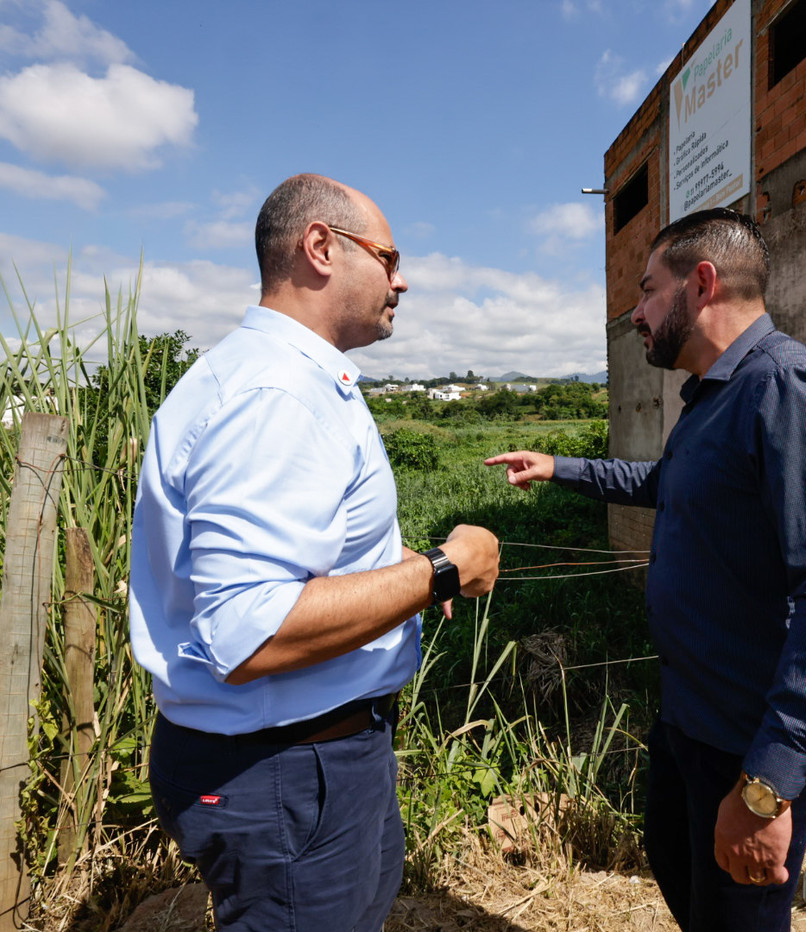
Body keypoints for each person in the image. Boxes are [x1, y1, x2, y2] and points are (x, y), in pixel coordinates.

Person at [485, 208, 806, 932]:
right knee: (679, 869)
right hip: (693, 717)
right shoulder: (714, 393)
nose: (635, 314)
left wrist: (767, 785)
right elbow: (668, 482)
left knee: (736, 915)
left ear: (701, 284)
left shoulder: (787, 390)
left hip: (750, 737)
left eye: (646, 291)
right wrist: (559, 467)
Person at [128, 173, 500, 931]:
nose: (402, 281)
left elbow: (302, 548)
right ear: (321, 248)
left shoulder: (284, 379)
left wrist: (396, 566)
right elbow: (250, 631)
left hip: (307, 763)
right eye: (389, 258)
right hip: (286, 775)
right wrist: (440, 571)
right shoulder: (277, 396)